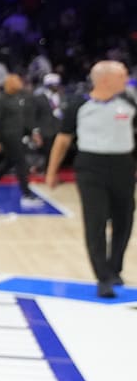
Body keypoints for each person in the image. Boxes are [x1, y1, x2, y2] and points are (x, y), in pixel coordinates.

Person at [46, 61, 136, 298]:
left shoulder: (129, 103)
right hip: (90, 167)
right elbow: (63, 140)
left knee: (124, 219)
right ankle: (102, 276)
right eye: (123, 75)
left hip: (123, 165)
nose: (126, 80)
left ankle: (115, 267)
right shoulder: (79, 105)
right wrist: (51, 172)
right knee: (95, 221)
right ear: (105, 79)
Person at [0, 73, 42, 204]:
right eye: (17, 81)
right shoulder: (1, 99)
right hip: (8, 137)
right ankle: (26, 195)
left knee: (9, 163)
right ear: (10, 83)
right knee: (21, 163)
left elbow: (24, 120)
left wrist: (32, 133)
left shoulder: (19, 98)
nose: (20, 83)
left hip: (18, 135)